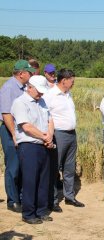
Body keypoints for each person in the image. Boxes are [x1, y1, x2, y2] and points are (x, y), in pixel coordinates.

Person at [11, 75, 54, 224]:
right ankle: (28, 214)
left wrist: (49, 136)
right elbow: (27, 127)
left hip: (43, 145)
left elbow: (50, 120)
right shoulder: (20, 102)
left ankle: (41, 211)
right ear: (30, 87)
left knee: (43, 180)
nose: (41, 94)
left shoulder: (42, 101)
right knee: (30, 181)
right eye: (39, 91)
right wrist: (45, 137)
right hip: (29, 146)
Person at [43, 68, 84, 211]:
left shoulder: (68, 94)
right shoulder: (50, 95)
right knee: (54, 168)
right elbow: (46, 117)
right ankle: (52, 200)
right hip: (58, 134)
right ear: (64, 80)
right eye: (72, 80)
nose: (73, 83)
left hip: (72, 134)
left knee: (69, 167)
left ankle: (69, 197)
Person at [0, 59, 35, 213]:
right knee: (13, 167)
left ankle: (20, 197)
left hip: (22, 132)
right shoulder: (9, 88)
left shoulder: (24, 87)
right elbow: (6, 114)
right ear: (21, 74)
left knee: (22, 166)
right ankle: (12, 200)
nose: (31, 74)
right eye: (29, 72)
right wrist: (14, 134)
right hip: (10, 131)